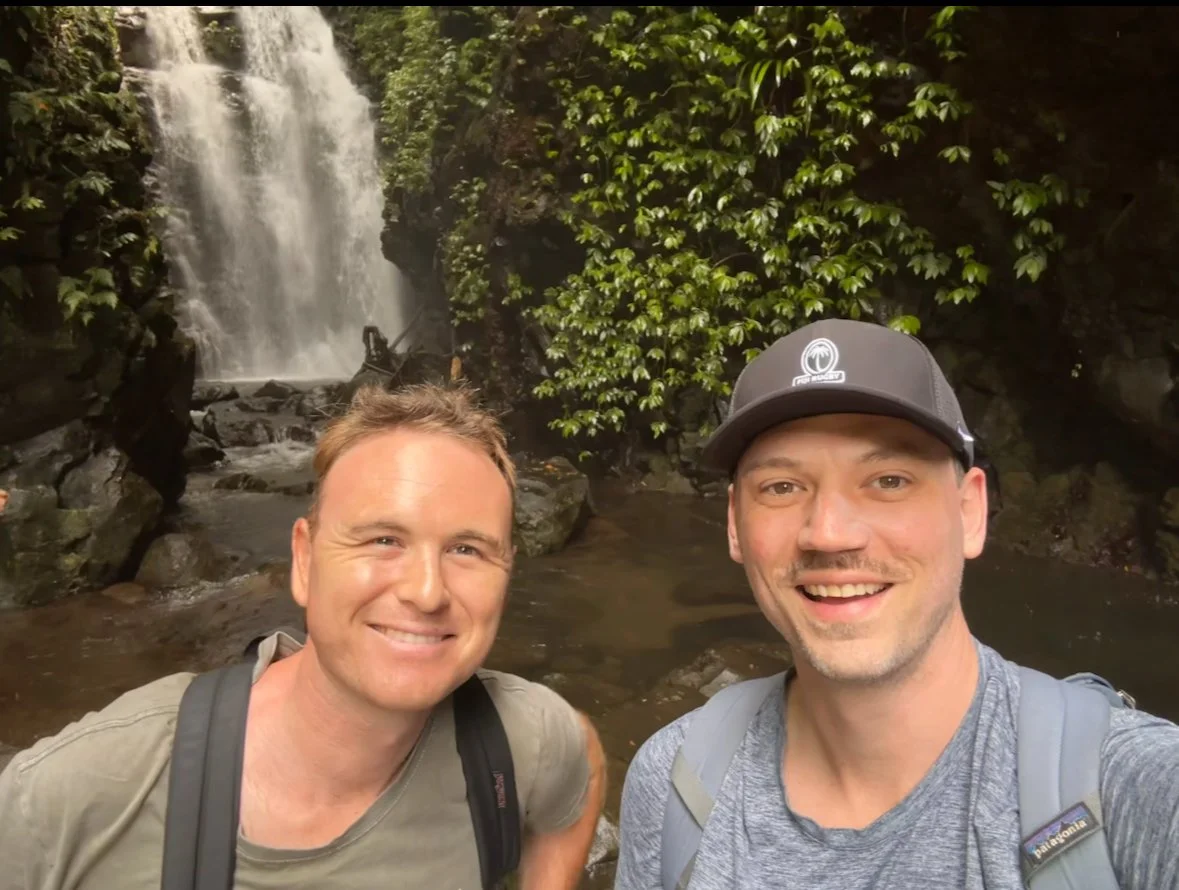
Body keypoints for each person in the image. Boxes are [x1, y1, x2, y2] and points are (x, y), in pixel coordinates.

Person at [614, 317, 1179, 890]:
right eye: (781, 487)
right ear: (735, 524)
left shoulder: (1137, 792)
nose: (829, 533)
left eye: (888, 480)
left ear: (970, 513)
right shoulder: (675, 786)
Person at [0, 381, 607, 889]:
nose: (427, 592)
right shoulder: (83, 792)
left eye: (467, 549)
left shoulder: (520, 735)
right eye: (383, 540)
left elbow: (581, 755)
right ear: (304, 561)